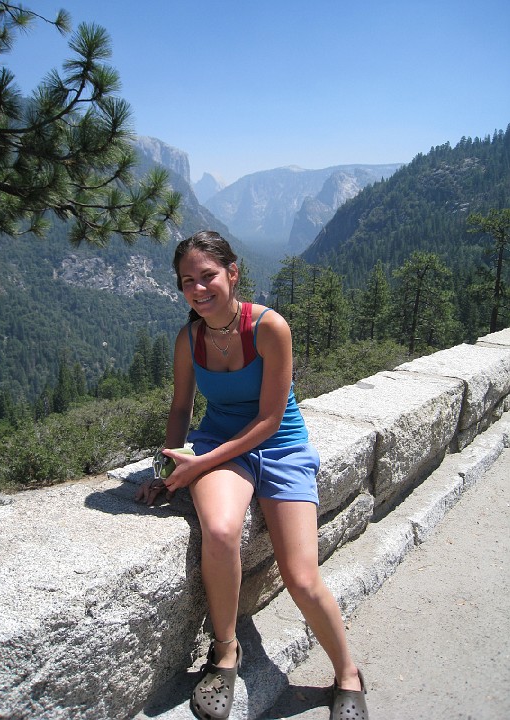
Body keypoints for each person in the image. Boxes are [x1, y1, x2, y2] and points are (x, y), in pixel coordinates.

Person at [136, 230, 369, 720]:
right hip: (220, 446)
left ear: (233, 273)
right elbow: (180, 408)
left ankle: (347, 674)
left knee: (301, 578)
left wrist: (202, 463)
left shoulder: (269, 327)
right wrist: (168, 466)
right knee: (221, 532)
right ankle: (225, 651)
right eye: (187, 281)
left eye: (208, 276)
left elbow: (270, 419)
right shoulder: (189, 339)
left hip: (280, 446)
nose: (198, 288)